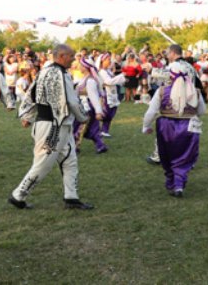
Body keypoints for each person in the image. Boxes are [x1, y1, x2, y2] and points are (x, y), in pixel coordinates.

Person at [10, 44, 93, 210]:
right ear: (61, 56)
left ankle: (71, 197)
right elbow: (72, 101)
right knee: (43, 164)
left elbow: (31, 95)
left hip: (54, 124)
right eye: (71, 56)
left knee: (70, 161)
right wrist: (83, 117)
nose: (73, 60)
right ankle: (18, 195)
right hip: (54, 127)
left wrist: (27, 115)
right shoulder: (62, 75)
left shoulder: (44, 72)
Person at [142, 61, 206, 197]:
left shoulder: (162, 91)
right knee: (184, 157)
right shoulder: (195, 91)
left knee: (167, 155)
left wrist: (146, 126)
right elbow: (202, 111)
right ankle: (178, 184)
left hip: (166, 127)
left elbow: (151, 112)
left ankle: (173, 182)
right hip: (189, 127)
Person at [72, 57, 108, 154]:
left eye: (81, 65)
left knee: (79, 127)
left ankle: (75, 147)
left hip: (87, 108)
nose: (79, 67)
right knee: (92, 128)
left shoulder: (90, 81)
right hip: (82, 107)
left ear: (86, 67)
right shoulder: (83, 79)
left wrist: (98, 111)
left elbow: (94, 97)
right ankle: (101, 145)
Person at [96, 53, 126, 138]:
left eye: (110, 59)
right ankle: (97, 130)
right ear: (102, 61)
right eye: (108, 60)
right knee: (106, 113)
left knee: (111, 112)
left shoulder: (107, 71)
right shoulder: (102, 72)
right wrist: (122, 76)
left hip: (112, 94)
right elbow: (109, 82)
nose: (110, 61)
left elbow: (113, 80)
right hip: (106, 95)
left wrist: (121, 79)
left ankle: (105, 130)